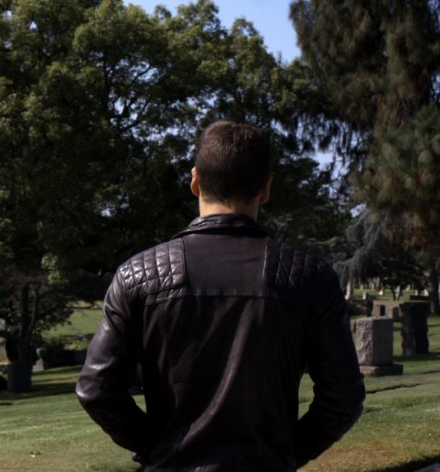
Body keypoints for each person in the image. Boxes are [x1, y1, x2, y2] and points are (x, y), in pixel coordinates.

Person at [76, 121, 365, 471]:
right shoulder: (308, 279)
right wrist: (287, 452)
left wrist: (157, 448)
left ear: (195, 180)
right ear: (266, 189)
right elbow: (343, 399)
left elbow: (97, 389)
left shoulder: (137, 276)